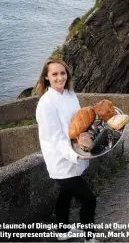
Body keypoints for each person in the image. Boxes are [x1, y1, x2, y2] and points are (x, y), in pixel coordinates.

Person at [35, 58, 97, 242]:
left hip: (74, 151)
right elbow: (55, 138)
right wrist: (76, 156)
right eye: (55, 74)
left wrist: (89, 134)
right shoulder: (46, 104)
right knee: (89, 199)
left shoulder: (70, 94)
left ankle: (62, 233)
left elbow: (79, 121)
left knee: (66, 195)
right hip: (61, 159)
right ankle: (89, 237)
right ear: (46, 77)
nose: (60, 77)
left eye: (63, 73)